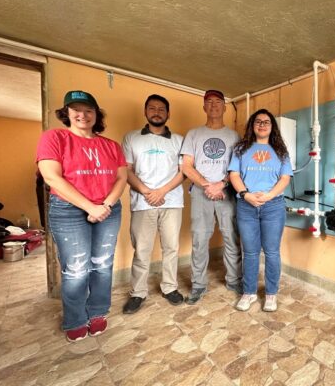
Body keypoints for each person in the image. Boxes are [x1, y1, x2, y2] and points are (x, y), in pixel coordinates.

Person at [36, 90, 127, 342]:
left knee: (102, 264)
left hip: (107, 208)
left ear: (96, 114)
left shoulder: (111, 145)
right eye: (75, 109)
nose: (82, 115)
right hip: (69, 210)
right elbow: (51, 177)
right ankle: (75, 319)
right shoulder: (54, 137)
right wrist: (90, 207)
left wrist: (106, 205)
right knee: (76, 268)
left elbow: (122, 178)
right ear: (66, 113)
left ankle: (97, 311)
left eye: (88, 110)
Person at [121, 94, 185, 314]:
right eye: (152, 108)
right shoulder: (132, 138)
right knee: (142, 250)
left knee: (171, 248)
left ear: (168, 114)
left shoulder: (178, 140)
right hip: (143, 202)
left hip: (172, 201)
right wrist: (148, 192)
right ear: (145, 112)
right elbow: (126, 170)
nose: (156, 112)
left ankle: (170, 288)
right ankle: (138, 293)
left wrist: (162, 192)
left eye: (161, 109)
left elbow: (183, 171)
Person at [180, 89, 242, 304]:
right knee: (199, 239)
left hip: (227, 191)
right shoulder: (193, 134)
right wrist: (207, 184)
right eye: (209, 102)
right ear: (204, 107)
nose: (214, 105)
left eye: (218, 102)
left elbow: (238, 166)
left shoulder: (234, 136)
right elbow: (186, 166)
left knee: (231, 237)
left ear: (225, 107)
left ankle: (234, 280)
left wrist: (221, 184)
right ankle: (198, 285)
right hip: (201, 192)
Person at [228, 109, 292, 312]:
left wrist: (269, 195)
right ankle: (249, 293)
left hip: (272, 206)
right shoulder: (240, 149)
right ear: (252, 125)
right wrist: (246, 194)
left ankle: (271, 294)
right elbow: (234, 175)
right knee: (250, 252)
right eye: (258, 121)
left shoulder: (281, 150)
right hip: (246, 206)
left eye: (266, 122)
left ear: (272, 126)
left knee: (272, 252)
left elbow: (285, 178)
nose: (262, 125)